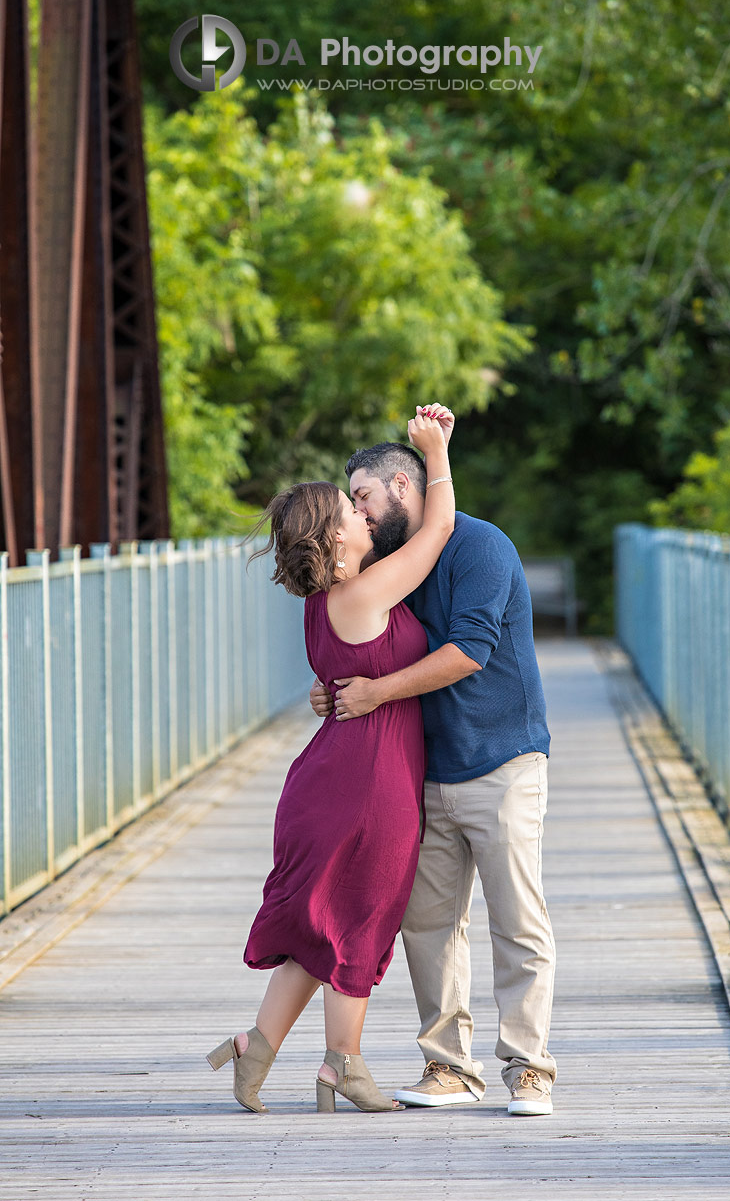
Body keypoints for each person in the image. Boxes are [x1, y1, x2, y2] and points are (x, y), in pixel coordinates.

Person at [206, 406, 455, 1115]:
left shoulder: (323, 601)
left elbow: (342, 673)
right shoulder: (362, 591)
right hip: (366, 786)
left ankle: (257, 1052)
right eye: (351, 507)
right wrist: (434, 454)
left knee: (323, 933)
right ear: (335, 535)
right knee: (358, 920)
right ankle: (342, 1066)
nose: (362, 511)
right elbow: (435, 529)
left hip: (336, 776)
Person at [310, 414, 556, 1116]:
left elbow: (469, 650)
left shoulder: (479, 546)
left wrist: (375, 694)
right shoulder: (392, 565)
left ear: (400, 484)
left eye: (360, 496)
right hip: (422, 772)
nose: (353, 510)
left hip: (501, 758)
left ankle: (530, 1069)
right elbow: (364, 645)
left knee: (517, 920)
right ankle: (450, 1068)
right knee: (429, 924)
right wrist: (332, 690)